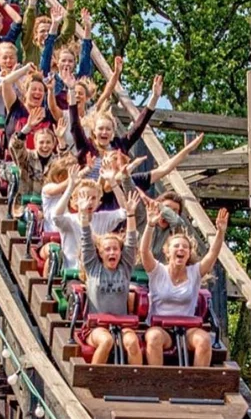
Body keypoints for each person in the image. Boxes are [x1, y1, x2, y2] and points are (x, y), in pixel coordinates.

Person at [140, 207, 228, 368]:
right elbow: (144, 251)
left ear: (188, 254)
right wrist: (150, 225)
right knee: (153, 338)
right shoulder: (157, 271)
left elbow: (212, 254)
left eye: (184, 247)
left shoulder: (194, 273)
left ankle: (196, 385)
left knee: (203, 340)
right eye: (176, 246)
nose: (181, 249)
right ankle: (157, 382)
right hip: (160, 328)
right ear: (167, 252)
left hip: (187, 329)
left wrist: (220, 232)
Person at [76, 191, 142, 365]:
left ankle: (139, 385)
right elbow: (86, 240)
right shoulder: (93, 267)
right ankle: (95, 378)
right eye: (107, 249)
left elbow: (131, 240)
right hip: (96, 327)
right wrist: (84, 215)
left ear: (121, 253)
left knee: (133, 342)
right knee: (106, 341)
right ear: (100, 252)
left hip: (123, 325)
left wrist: (131, 214)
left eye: (115, 249)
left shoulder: (125, 267)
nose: (112, 252)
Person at [69, 75, 162, 178]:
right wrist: (72, 91)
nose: (104, 132)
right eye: (101, 128)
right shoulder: (86, 147)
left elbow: (138, 126)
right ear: (94, 131)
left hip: (114, 191)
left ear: (113, 132)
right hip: (89, 191)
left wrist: (154, 97)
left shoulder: (119, 145)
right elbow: (75, 126)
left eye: (108, 129)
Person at [97, 133, 204, 211]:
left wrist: (188, 149)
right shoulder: (101, 183)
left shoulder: (135, 180)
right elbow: (110, 185)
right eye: (112, 158)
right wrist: (132, 166)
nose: (115, 161)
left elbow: (164, 169)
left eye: (117, 158)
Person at [47, 165, 125, 270]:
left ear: (99, 202)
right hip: (72, 272)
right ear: (75, 201)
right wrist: (70, 187)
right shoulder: (69, 220)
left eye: (93, 198)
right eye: (84, 197)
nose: (89, 202)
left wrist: (113, 183)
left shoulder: (103, 218)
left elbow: (125, 210)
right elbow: (56, 216)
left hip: (98, 272)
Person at [8, 107, 59, 217]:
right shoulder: (28, 157)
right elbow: (15, 146)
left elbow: (68, 164)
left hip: (49, 208)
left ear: (53, 144)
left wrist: (62, 141)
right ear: (35, 143)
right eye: (41, 142)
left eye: (48, 142)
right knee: (34, 215)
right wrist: (28, 127)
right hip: (27, 204)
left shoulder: (57, 162)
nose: (45, 146)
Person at [41, 5, 93, 104]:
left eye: (70, 61)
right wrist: (55, 24)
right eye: (63, 60)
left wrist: (87, 28)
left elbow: (85, 55)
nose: (67, 64)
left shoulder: (78, 80)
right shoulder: (50, 78)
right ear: (57, 62)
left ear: (74, 63)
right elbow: (46, 54)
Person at [22, 0, 76, 65]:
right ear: (35, 35)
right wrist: (32, 3)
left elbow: (68, 31)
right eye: (42, 31)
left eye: (48, 30)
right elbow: (27, 26)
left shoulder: (56, 46)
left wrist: (70, 4)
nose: (46, 33)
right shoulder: (30, 46)